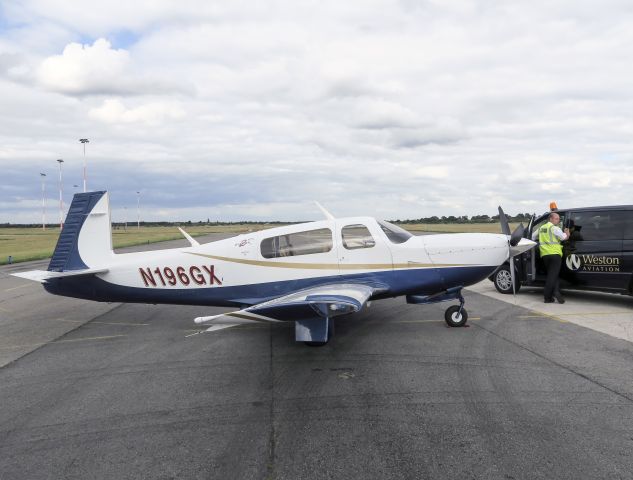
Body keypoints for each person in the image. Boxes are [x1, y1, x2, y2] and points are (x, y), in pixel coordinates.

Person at [532, 212, 570, 303]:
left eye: (558, 219)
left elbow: (533, 237)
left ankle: (556, 291)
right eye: (556, 219)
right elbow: (563, 238)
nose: (558, 220)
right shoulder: (554, 228)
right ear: (551, 219)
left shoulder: (541, 228)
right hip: (555, 255)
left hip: (545, 255)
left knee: (553, 275)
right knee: (552, 276)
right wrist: (567, 233)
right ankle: (547, 297)